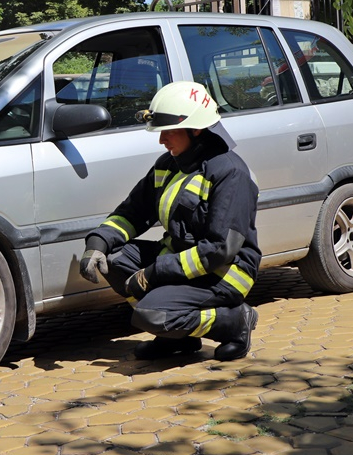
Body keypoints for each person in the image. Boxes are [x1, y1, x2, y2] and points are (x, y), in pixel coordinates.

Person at [79, 81, 261, 361]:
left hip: (223, 273)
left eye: (168, 132)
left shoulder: (230, 172)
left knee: (151, 314)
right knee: (113, 259)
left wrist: (154, 273)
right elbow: (133, 212)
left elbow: (219, 250)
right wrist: (98, 243)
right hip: (179, 260)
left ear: (196, 129)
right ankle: (176, 338)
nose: (161, 140)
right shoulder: (170, 163)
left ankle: (234, 322)